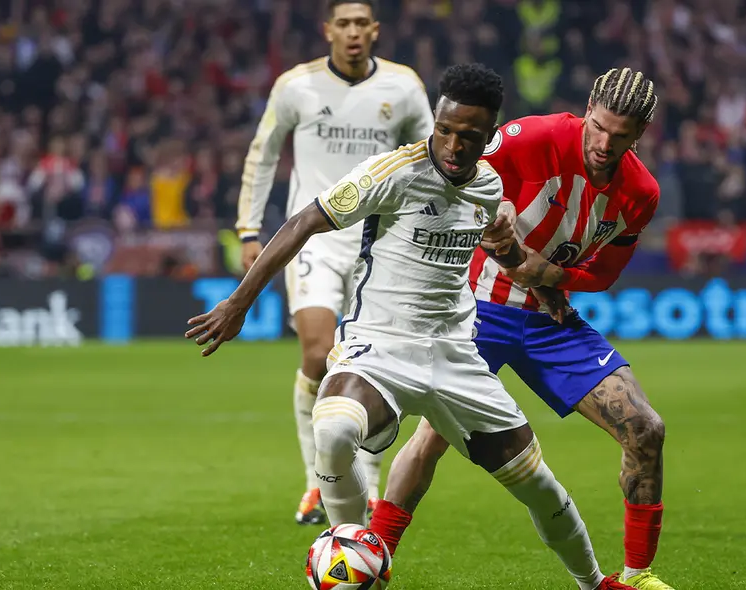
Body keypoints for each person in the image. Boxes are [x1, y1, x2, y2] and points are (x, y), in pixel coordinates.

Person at [188, 63, 624, 590]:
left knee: (539, 485)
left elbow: (502, 248)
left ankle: (596, 583)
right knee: (333, 429)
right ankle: (351, 562)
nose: (453, 145)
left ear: (488, 136)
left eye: (469, 136)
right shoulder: (391, 172)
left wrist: (547, 288)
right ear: (435, 120)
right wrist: (239, 303)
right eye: (444, 130)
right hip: (382, 346)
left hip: (458, 355)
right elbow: (304, 221)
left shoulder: (489, 185)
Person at [369, 68, 677, 590]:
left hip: (551, 321)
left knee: (646, 429)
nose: (604, 144)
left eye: (620, 136)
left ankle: (638, 576)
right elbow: (459, 177)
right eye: (598, 127)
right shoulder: (534, 137)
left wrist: (547, 276)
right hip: (477, 311)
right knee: (433, 438)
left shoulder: (641, 192)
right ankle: (373, 563)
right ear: (587, 107)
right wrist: (497, 218)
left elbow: (604, 274)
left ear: (640, 135)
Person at [235, 0, 435, 525]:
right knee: (320, 353)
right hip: (314, 239)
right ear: (328, 31)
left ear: (375, 31)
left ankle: (365, 484)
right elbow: (263, 154)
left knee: (367, 362)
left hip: (379, 243)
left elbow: (435, 159)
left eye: (360, 25)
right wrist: (249, 230)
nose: (351, 33)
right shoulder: (296, 86)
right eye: (342, 24)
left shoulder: (404, 88)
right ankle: (315, 483)